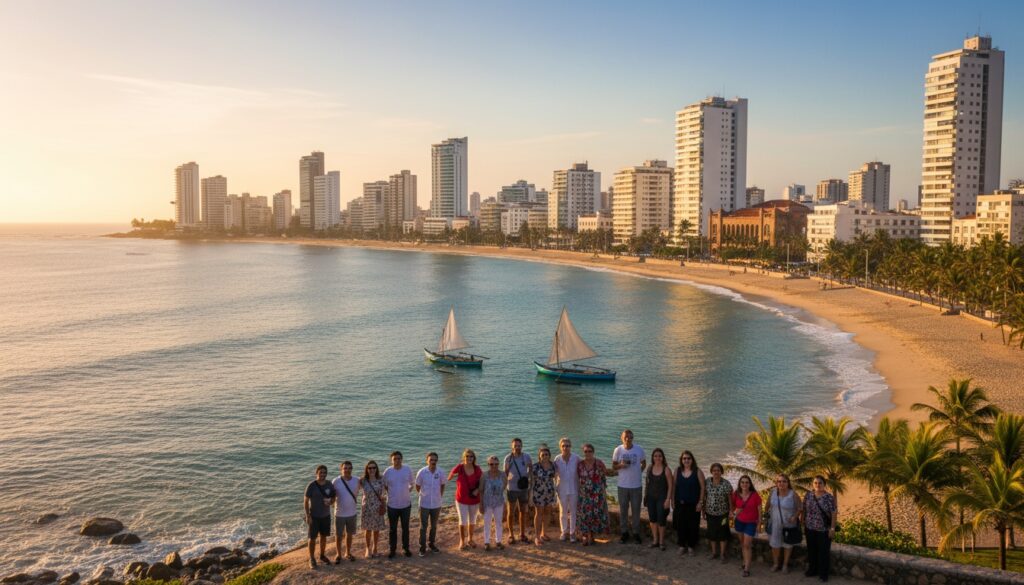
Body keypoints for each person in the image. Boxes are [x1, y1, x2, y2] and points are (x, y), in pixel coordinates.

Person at [611, 429, 646, 544]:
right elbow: (614, 466)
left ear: (633, 438)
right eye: (626, 437)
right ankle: (624, 533)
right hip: (622, 485)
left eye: (630, 437)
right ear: (622, 438)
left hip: (636, 486)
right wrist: (621, 465)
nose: (628, 439)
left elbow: (644, 463)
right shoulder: (618, 450)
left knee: (636, 511)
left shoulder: (639, 449)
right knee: (623, 511)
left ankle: (636, 533)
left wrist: (638, 472)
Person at [804, 475, 837, 582]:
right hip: (809, 527)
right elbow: (804, 509)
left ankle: (824, 574)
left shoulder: (829, 497)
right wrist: (801, 521)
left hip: (823, 529)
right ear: (813, 484)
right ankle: (812, 570)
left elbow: (834, 513)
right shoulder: (808, 495)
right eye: (815, 483)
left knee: (823, 552)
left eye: (820, 483)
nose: (817, 485)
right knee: (811, 551)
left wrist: (832, 528)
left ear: (824, 484)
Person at [448, 448, 483, 550]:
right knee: (462, 521)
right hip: (461, 499)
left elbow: (482, 482)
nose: (469, 458)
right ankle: (462, 541)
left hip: (474, 499)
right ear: (464, 458)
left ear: (474, 458)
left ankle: (470, 539)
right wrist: (454, 475)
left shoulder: (477, 469)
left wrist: (478, 490)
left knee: (472, 520)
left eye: (471, 456)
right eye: (467, 456)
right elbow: (449, 477)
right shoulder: (459, 467)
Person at [382, 451, 414, 559]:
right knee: (393, 529)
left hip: (406, 505)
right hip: (392, 505)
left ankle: (406, 548)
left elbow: (412, 483)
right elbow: (384, 485)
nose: (397, 460)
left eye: (399, 458)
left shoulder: (407, 469)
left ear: (402, 459)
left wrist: (406, 491)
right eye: (395, 459)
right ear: (391, 460)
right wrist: (391, 493)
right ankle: (392, 549)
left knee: (405, 528)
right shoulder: (388, 471)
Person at [576, 443, 609, 546]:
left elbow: (606, 474)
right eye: (585, 451)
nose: (588, 453)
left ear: (593, 452)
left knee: (595, 515)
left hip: (596, 494)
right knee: (584, 515)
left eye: (590, 451)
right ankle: (585, 537)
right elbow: (577, 478)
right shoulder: (580, 464)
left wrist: (620, 469)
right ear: (583, 452)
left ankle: (592, 536)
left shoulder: (599, 463)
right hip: (584, 494)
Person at [674, 450, 705, 556]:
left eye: (688, 458)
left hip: (693, 505)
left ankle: (691, 547)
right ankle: (682, 546)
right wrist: (672, 501)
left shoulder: (697, 471)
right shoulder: (677, 471)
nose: (686, 460)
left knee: (693, 526)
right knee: (681, 525)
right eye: (684, 458)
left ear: (692, 460)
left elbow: (702, 488)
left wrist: (700, 502)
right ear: (681, 460)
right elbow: (674, 487)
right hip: (680, 504)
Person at [768, 473, 802, 573]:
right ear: (776, 483)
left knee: (787, 545)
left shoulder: (793, 494)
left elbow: (800, 508)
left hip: (788, 524)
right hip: (775, 524)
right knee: (775, 545)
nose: (781, 483)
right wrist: (765, 516)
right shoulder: (773, 492)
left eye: (784, 481)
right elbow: (768, 505)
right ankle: (776, 564)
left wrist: (795, 517)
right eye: (779, 481)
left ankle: (785, 565)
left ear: (788, 483)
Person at [304, 465, 336, 569]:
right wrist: (308, 515)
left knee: (323, 537)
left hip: (326, 516)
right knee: (312, 538)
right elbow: (305, 501)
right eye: (321, 472)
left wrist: (331, 502)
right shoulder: (311, 485)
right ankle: (312, 558)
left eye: (324, 472)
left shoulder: (329, 484)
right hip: (314, 516)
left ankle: (322, 555)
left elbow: (333, 496)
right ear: (316, 473)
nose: (322, 474)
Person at [414, 452, 446, 557]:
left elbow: (442, 485)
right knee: (423, 527)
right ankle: (422, 547)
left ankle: (431, 544)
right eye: (431, 460)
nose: (433, 462)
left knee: (434, 526)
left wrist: (439, 497)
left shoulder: (440, 472)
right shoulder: (422, 472)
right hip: (424, 503)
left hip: (436, 504)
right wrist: (423, 495)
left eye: (435, 460)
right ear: (427, 460)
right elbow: (417, 486)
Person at [503, 438, 533, 545]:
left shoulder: (527, 457)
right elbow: (505, 474)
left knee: (522, 512)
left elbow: (531, 468)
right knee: (510, 512)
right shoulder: (508, 458)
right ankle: (511, 534)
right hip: (511, 488)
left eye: (519, 445)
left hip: (523, 489)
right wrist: (503, 486)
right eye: (515, 446)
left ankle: (522, 534)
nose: (517, 447)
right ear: (512, 447)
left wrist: (527, 477)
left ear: (522, 446)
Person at [731, 475, 762, 578]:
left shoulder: (754, 495)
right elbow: (732, 507)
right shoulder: (736, 494)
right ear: (740, 484)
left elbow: (759, 510)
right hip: (739, 522)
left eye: (746, 482)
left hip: (751, 523)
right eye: (742, 482)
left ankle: (747, 568)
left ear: (750, 484)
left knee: (747, 545)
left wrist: (759, 524)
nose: (744, 484)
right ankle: (745, 561)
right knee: (742, 544)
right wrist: (735, 513)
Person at [644, 448, 674, 551]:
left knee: (661, 519)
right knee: (652, 519)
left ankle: (661, 541)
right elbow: (647, 483)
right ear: (653, 457)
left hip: (662, 498)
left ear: (663, 457)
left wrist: (668, 500)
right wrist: (646, 497)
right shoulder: (649, 468)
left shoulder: (666, 469)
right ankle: (655, 540)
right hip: (651, 498)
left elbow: (670, 486)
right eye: (655, 456)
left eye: (660, 456)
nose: (657, 458)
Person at [331, 461, 361, 563]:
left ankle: (348, 553)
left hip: (352, 513)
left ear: (352, 469)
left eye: (349, 468)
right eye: (345, 468)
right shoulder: (336, 481)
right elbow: (331, 496)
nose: (347, 470)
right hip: (339, 513)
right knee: (338, 535)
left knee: (349, 535)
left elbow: (369, 484)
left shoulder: (357, 480)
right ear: (341, 469)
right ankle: (338, 554)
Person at [703, 462, 733, 563]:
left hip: (723, 514)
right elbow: (704, 497)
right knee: (712, 533)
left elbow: (730, 499)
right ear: (711, 471)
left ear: (721, 472)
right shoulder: (707, 482)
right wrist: (703, 510)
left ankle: (722, 555)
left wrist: (731, 511)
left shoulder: (726, 484)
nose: (716, 472)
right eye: (714, 470)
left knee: (723, 533)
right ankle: (714, 553)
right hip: (710, 513)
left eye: (718, 470)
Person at [553, 437, 581, 542]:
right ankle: (564, 531)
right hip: (562, 489)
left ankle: (572, 532)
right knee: (563, 512)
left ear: (571, 446)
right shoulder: (557, 459)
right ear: (560, 447)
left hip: (574, 488)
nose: (565, 447)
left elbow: (583, 469)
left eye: (567, 445)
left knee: (573, 512)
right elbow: (554, 474)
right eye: (563, 445)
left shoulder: (576, 458)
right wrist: (554, 487)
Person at [531, 445, 557, 545]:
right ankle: (537, 537)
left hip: (550, 492)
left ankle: (544, 533)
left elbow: (556, 478)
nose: (545, 456)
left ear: (549, 455)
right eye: (543, 455)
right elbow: (532, 481)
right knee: (539, 513)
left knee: (547, 512)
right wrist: (530, 495)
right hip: (538, 492)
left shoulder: (553, 465)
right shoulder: (535, 466)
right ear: (539, 456)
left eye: (546, 454)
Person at [359, 460, 386, 558]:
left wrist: (384, 502)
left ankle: (375, 548)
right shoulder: (363, 480)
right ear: (367, 469)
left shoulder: (381, 479)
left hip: (378, 507)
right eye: (370, 468)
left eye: (374, 467)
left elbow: (384, 492)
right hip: (367, 508)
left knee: (376, 529)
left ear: (376, 469)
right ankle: (367, 549)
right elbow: (354, 490)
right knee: (368, 529)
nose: (372, 470)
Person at [481, 455, 507, 551]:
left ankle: (498, 541)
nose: (494, 466)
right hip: (487, 502)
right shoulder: (484, 475)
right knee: (487, 523)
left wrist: (503, 502)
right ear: (488, 464)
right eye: (491, 464)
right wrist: (481, 504)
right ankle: (487, 542)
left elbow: (504, 487)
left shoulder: (503, 475)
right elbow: (481, 490)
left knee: (498, 522)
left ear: (498, 464)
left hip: (499, 502)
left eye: (496, 464)